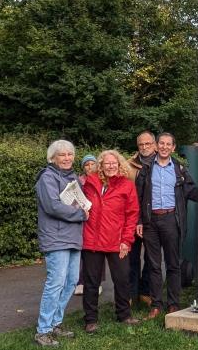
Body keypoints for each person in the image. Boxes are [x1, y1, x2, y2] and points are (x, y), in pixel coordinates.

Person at [135, 132, 198, 319]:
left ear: (173, 147)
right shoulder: (146, 168)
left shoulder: (179, 169)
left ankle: (173, 304)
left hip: (172, 219)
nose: (164, 147)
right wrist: (139, 220)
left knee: (173, 264)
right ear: (156, 146)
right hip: (150, 222)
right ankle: (156, 305)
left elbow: (191, 191)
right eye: (161, 143)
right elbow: (137, 198)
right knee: (154, 265)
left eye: (167, 144)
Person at [34, 140, 88, 347]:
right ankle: (43, 330)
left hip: (73, 236)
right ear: (52, 158)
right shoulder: (47, 177)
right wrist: (81, 213)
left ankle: (56, 322)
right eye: (62, 155)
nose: (67, 158)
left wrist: (84, 207)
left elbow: (79, 200)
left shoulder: (72, 177)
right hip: (55, 238)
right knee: (55, 282)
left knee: (72, 281)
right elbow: (53, 207)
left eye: (70, 154)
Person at [80, 150, 140, 332]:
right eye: (107, 163)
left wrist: (127, 240)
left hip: (117, 241)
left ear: (120, 164)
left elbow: (132, 215)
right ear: (101, 166)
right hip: (92, 240)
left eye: (114, 163)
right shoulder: (90, 182)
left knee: (122, 279)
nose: (111, 166)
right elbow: (79, 203)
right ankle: (90, 320)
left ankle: (124, 314)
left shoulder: (127, 185)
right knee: (91, 282)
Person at [125, 131, 157, 305]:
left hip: (154, 218)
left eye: (148, 144)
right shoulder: (128, 165)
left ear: (155, 144)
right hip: (132, 217)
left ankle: (146, 290)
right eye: (141, 144)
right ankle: (131, 293)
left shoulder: (162, 162)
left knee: (152, 258)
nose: (144, 147)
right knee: (132, 256)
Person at [75, 154, 100, 297]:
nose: (90, 167)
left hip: (98, 220)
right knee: (84, 252)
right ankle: (81, 282)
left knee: (98, 251)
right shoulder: (79, 181)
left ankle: (98, 283)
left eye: (92, 164)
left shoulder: (102, 179)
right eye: (86, 165)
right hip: (82, 219)